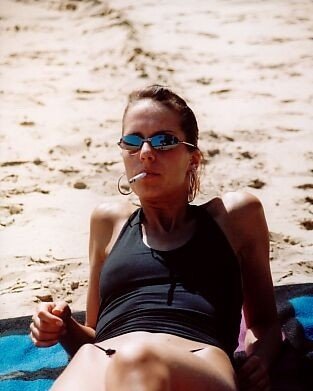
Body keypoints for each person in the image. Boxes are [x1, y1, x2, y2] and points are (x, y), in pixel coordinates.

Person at [30, 85, 282, 391]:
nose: (146, 154)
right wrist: (62, 326)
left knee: (138, 360)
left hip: (195, 359)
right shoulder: (108, 221)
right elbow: (95, 334)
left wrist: (261, 361)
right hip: (100, 358)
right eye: (133, 142)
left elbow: (265, 324)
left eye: (164, 141)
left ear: (193, 158)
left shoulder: (234, 217)